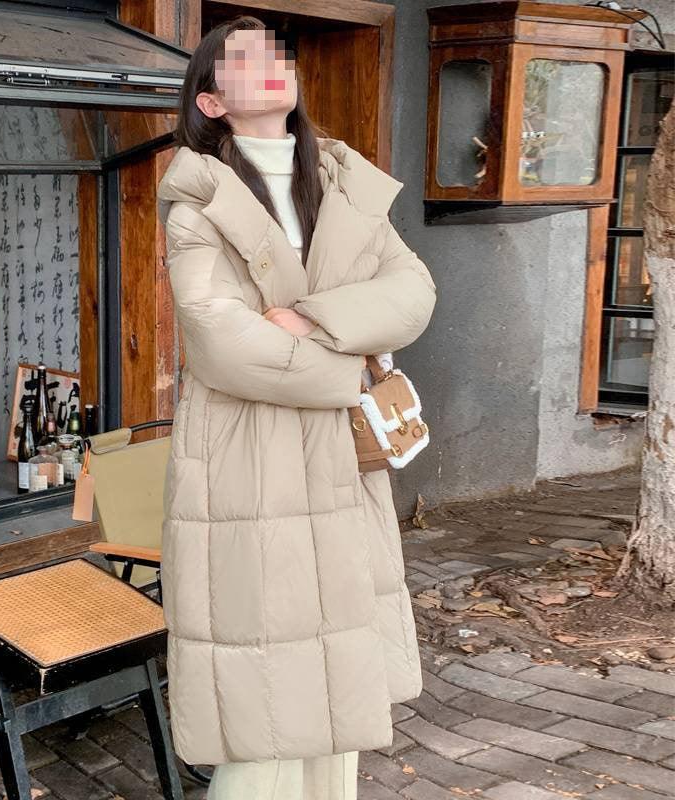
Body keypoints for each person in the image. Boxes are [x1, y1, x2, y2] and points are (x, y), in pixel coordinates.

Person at [155, 15, 437, 799]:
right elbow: (219, 337)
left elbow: (412, 293)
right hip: (247, 461)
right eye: (242, 58)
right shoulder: (199, 204)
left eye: (274, 50)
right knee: (265, 712)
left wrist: (312, 317)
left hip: (341, 467)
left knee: (338, 706)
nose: (270, 62)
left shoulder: (345, 185)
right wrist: (350, 370)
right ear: (211, 103)